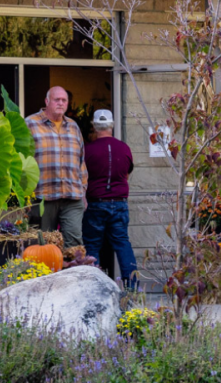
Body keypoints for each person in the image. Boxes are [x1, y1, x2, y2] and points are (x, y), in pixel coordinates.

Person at [82, 109, 138, 289]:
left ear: (94, 126)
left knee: (92, 245)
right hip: (119, 202)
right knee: (122, 244)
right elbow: (126, 174)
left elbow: (82, 177)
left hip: (95, 203)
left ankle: (94, 289)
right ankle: (133, 290)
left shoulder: (87, 150)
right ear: (112, 125)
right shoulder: (124, 148)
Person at [26, 86, 88, 247]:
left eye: (64, 100)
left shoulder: (73, 126)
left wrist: (83, 191)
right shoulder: (30, 124)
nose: (60, 103)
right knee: (42, 245)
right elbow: (21, 161)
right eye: (57, 100)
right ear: (47, 101)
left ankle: (73, 272)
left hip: (72, 195)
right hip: (43, 196)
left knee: (74, 244)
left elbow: (81, 161)